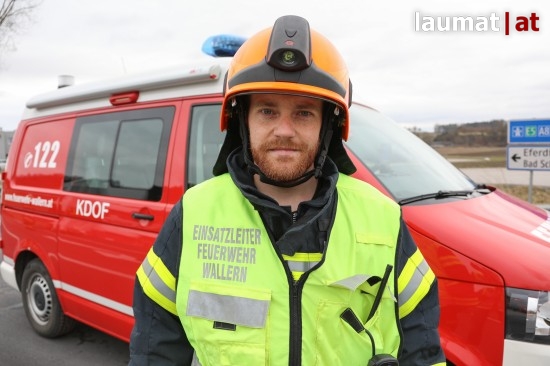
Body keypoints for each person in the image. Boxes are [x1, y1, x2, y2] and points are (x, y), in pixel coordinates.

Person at [129, 15, 446, 366]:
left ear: (329, 125)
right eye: (267, 111)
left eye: (304, 113)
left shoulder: (382, 217)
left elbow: (422, 347)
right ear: (241, 120)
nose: (284, 130)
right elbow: (154, 347)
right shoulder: (195, 211)